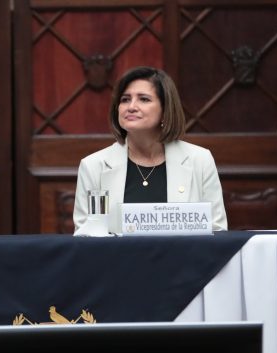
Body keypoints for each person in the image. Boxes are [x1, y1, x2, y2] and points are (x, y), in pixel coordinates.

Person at [73, 66, 227, 233]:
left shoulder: (200, 160)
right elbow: (85, 236)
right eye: (125, 99)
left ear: (165, 110)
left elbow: (216, 231)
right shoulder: (94, 166)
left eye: (144, 99)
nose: (131, 106)